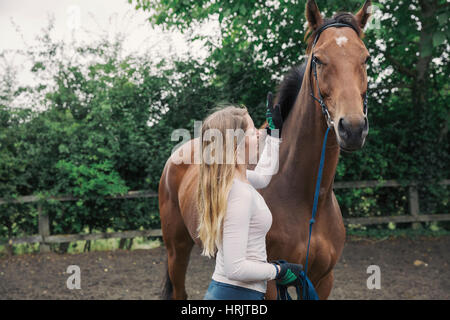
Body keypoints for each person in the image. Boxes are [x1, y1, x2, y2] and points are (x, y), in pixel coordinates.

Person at [197, 93, 304, 300]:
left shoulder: (237, 179)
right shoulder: (239, 194)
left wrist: (273, 135)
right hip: (236, 295)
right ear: (236, 143)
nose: (258, 134)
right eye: (253, 130)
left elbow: (264, 176)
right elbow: (235, 269)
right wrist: (278, 271)